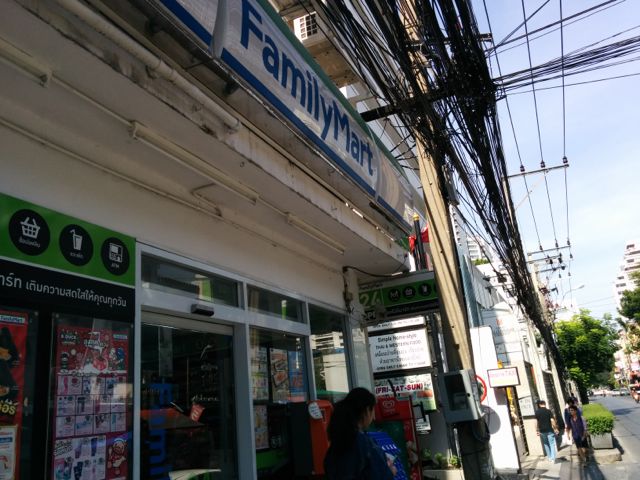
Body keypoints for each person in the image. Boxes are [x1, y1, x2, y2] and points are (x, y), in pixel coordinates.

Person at [324, 387, 396, 479]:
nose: (373, 417)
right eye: (373, 411)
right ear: (367, 410)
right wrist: (390, 471)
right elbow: (380, 475)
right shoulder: (363, 443)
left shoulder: (336, 444)